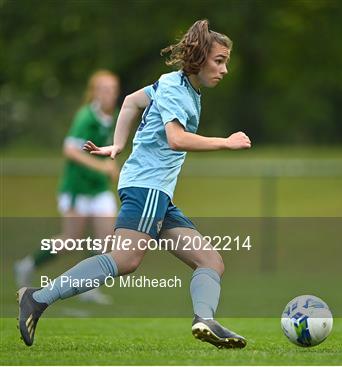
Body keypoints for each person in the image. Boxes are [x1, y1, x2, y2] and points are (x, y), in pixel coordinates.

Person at [17, 19, 251, 349]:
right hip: (147, 188)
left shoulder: (173, 85)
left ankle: (205, 319)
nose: (224, 69)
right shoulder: (175, 89)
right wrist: (224, 143)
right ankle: (37, 299)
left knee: (211, 261)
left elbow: (129, 101)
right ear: (198, 60)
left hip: (158, 193)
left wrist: (117, 144)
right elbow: (175, 138)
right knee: (125, 260)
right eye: (219, 60)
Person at [14, 70, 120, 305]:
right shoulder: (86, 116)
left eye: (113, 89)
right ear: (94, 92)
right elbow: (70, 150)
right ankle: (27, 265)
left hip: (99, 189)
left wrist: (112, 167)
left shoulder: (112, 116)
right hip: (77, 189)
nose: (110, 94)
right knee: (71, 240)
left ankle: (90, 288)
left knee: (105, 240)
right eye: (105, 89)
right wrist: (100, 167)